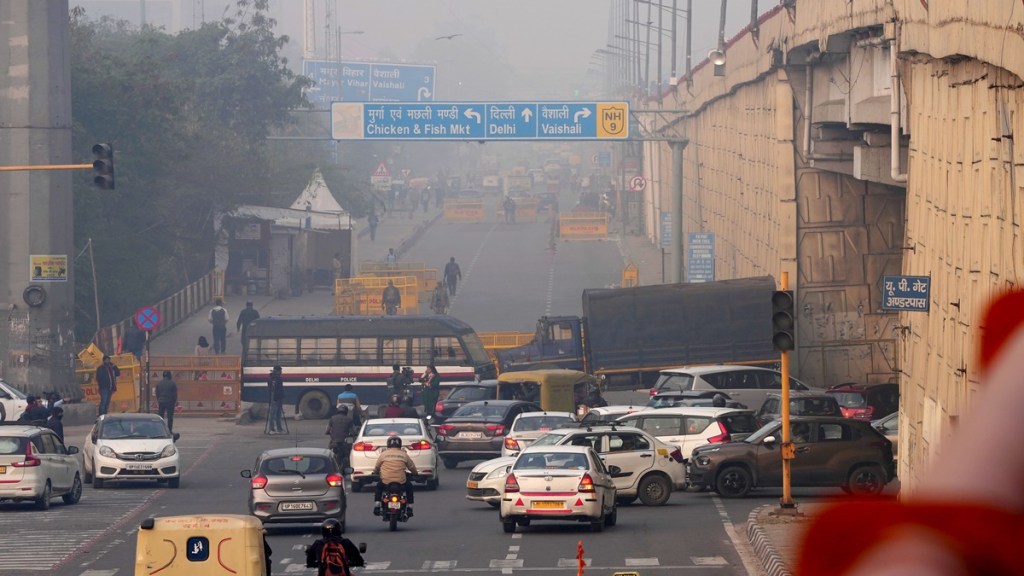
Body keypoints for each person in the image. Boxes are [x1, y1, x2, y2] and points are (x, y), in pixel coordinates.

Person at [373, 436, 418, 516]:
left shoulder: (383, 454)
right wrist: (415, 473)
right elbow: (411, 467)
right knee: (409, 487)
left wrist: (375, 473)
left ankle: (377, 505)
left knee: (378, 487)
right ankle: (410, 507)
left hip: (385, 481)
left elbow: (377, 467)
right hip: (401, 481)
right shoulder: (404, 455)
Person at [267, 365, 285, 434]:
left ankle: (279, 429)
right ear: (276, 371)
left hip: (280, 398)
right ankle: (271, 429)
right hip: (274, 398)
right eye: (280, 371)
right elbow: (271, 389)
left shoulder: (279, 378)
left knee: (279, 414)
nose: (281, 372)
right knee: (273, 414)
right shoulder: (272, 379)